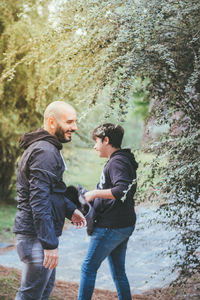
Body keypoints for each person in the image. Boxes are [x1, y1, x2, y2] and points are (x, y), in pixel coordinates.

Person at [14, 101, 86, 300]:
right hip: (37, 237)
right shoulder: (45, 152)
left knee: (42, 294)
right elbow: (39, 200)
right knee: (29, 296)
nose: (75, 127)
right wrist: (49, 244)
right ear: (52, 122)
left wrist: (70, 210)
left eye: (75, 121)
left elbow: (53, 191)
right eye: (69, 121)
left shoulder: (48, 148)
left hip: (39, 236)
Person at [78, 123, 138, 300]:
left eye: (97, 141)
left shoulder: (117, 161)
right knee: (119, 273)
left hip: (111, 227)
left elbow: (121, 190)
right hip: (122, 224)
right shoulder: (120, 160)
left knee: (87, 268)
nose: (95, 146)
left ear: (106, 140)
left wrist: (94, 193)